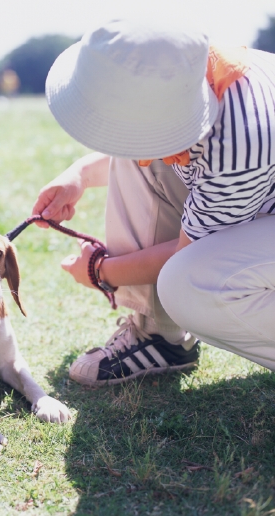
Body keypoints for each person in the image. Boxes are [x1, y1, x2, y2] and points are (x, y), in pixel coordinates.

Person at [32, 19, 275, 386]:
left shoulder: (241, 144)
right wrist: (79, 175)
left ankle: (160, 334)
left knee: (189, 283)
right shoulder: (187, 72)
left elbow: (187, 254)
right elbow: (139, 145)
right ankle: (159, 336)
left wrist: (101, 271)